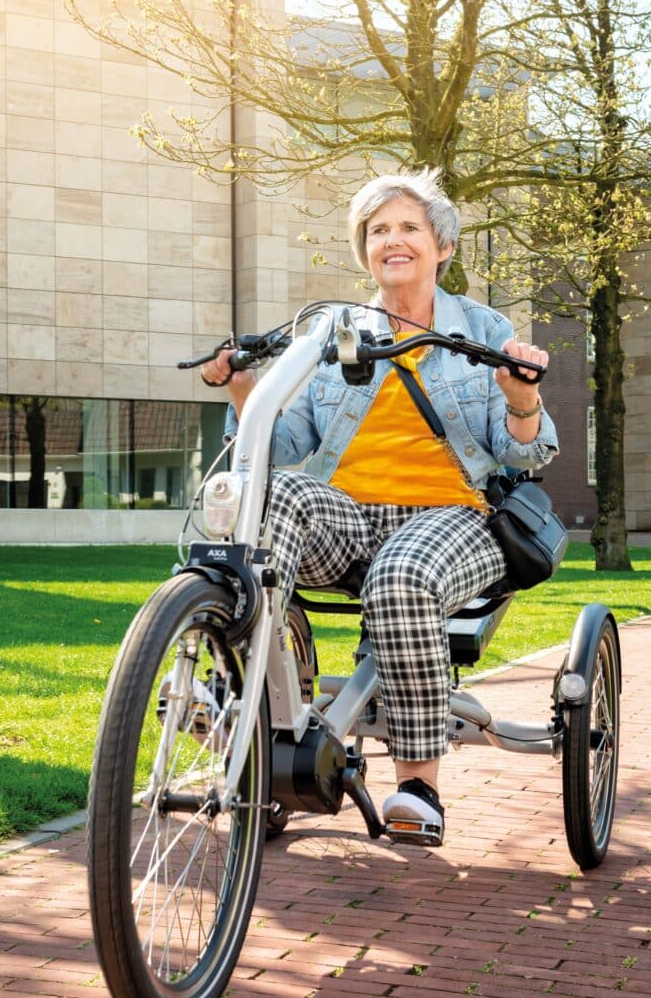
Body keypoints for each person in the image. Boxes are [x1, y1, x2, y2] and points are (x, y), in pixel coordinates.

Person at [199, 168, 557, 848]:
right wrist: (245, 388)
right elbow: (287, 440)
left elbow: (527, 453)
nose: (392, 239)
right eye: (378, 229)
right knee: (262, 495)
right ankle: (247, 702)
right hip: (349, 516)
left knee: (401, 578)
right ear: (365, 248)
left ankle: (418, 783)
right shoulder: (330, 331)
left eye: (408, 227)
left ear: (441, 245)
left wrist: (520, 395)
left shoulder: (484, 328)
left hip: (452, 515)